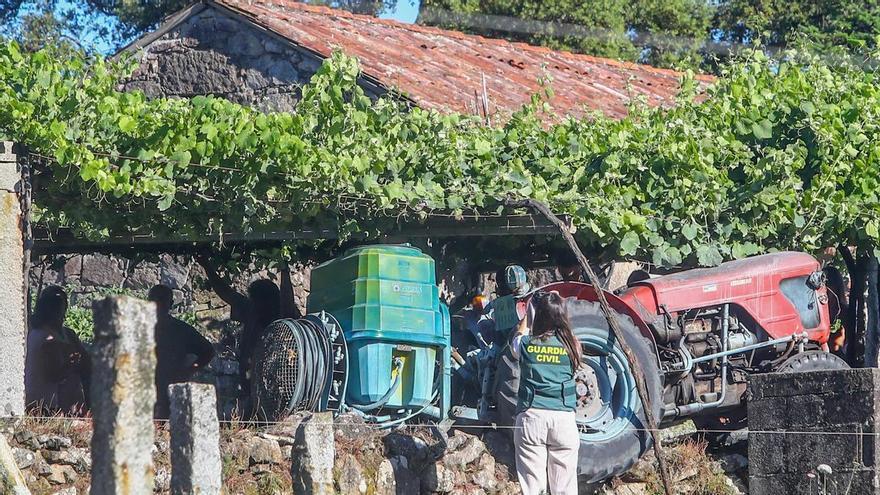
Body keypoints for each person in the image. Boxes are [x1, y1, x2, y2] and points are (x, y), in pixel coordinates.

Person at [195, 254, 294, 412]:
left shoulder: (283, 317)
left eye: (259, 302)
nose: (257, 305)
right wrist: (206, 266)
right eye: (254, 302)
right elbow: (226, 293)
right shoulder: (251, 311)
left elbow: (288, 300)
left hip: (279, 386)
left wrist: (285, 269)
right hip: (250, 385)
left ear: (271, 301)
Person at [510, 290, 582, 495]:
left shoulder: (525, 345)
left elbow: (519, 336)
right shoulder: (573, 346)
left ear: (538, 315)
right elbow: (570, 336)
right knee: (565, 490)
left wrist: (528, 314)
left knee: (533, 488)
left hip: (531, 419)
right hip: (564, 421)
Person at [148, 285, 216, 419]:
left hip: (169, 387)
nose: (157, 304)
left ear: (170, 304)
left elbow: (208, 351)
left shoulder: (181, 330)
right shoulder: (137, 328)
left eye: (161, 300)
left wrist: (190, 369)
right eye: (154, 300)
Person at [25, 286, 90, 415]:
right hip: (47, 405)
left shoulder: (68, 334)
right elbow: (55, 374)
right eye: (55, 307)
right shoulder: (40, 335)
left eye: (61, 306)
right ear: (46, 308)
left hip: (70, 403)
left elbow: (87, 364)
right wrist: (72, 364)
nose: (59, 311)